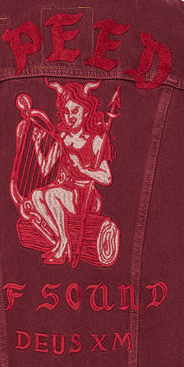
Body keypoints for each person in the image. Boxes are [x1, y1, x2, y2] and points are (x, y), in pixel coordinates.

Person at [29, 79, 115, 264]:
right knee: (36, 196)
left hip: (85, 197)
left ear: (86, 112)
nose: (71, 117)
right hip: (64, 191)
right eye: (66, 112)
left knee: (51, 194)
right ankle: (62, 240)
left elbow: (107, 177)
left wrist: (83, 169)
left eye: (75, 111)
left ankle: (62, 244)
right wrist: (36, 145)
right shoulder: (62, 138)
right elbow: (44, 170)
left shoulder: (96, 141)